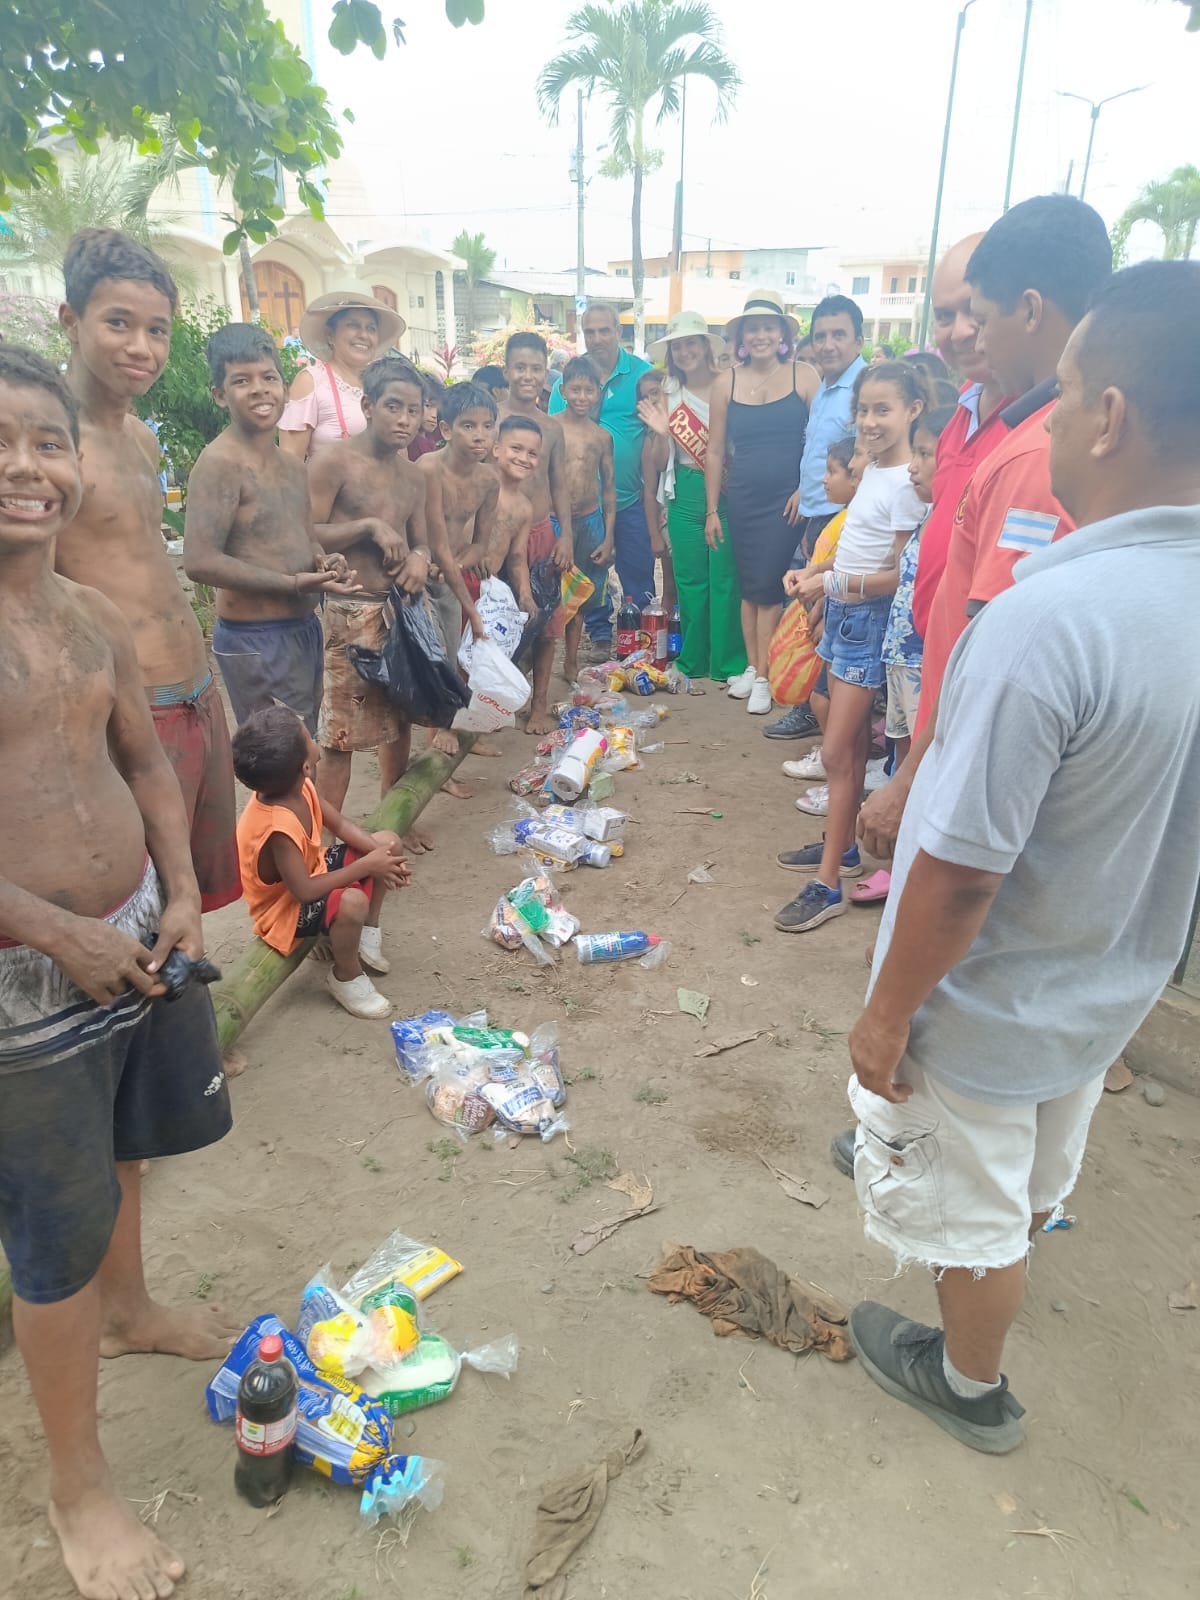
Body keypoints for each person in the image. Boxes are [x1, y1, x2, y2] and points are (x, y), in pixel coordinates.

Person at [843, 259, 1200, 1455]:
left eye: (1067, 395)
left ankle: (969, 1381)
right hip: (1107, 980)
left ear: (1111, 417)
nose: (1046, 425)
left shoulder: (1051, 618)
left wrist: (886, 1015)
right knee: (1037, 1178)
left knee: (979, 1215)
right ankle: (999, 1293)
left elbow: (962, 873)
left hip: (993, 1000)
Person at [0, 344, 234, 1600]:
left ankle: (134, 1309)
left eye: (47, 442)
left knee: (129, 1151)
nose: (27, 467)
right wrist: (51, 928)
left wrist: (183, 893)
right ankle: (77, 1487)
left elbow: (146, 762)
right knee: (51, 1240)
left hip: (136, 934)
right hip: (22, 982)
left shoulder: (88, 614)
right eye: (0, 443)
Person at [856, 198, 1113, 870]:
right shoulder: (974, 418)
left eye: (979, 313)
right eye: (946, 315)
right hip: (944, 709)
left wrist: (909, 779)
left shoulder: (1037, 450)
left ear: (1028, 311)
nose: (967, 334)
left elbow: (996, 650)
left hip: (968, 741)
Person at [55, 228, 241, 914]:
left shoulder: (139, 438)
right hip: (128, 711)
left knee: (188, 897)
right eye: (119, 323)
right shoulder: (49, 447)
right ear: (71, 321)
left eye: (156, 329)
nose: (141, 347)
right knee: (136, 902)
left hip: (196, 688)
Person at [774, 363, 927, 932]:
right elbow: (858, 544)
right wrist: (817, 572)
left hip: (867, 621)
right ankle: (840, 849)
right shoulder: (875, 470)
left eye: (883, 409)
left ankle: (828, 885)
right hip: (843, 612)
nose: (869, 421)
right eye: (863, 409)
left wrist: (840, 583)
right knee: (844, 745)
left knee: (838, 753)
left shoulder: (907, 482)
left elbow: (902, 575)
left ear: (913, 410)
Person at [183, 324, 359, 738]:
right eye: (241, 381)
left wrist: (324, 561)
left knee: (303, 744)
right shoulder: (220, 463)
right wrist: (293, 583)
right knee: (277, 753)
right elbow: (199, 561)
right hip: (254, 638)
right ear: (220, 395)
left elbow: (305, 536)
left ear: (284, 386)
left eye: (268, 377)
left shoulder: (292, 466)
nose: (259, 390)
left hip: (303, 628)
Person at [305, 356, 457, 828]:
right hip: (347, 609)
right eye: (394, 407)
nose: (405, 420)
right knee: (340, 737)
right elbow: (305, 532)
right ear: (369, 406)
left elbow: (422, 540)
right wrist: (368, 526)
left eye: (415, 410)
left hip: (400, 611)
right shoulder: (333, 462)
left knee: (399, 718)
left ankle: (392, 825)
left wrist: (419, 558)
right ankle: (326, 843)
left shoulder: (413, 476)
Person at [232, 706, 410, 1019]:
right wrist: (367, 866)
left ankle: (366, 928)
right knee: (352, 902)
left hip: (313, 871)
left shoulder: (300, 786)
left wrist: (383, 857)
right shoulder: (277, 828)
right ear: (305, 765)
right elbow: (303, 891)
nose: (314, 740)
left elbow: (339, 824)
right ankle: (346, 976)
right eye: (309, 738)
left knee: (388, 843)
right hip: (284, 909)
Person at [706, 290, 820, 716]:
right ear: (741, 337)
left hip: (786, 499)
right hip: (743, 497)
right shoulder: (727, 381)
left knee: (769, 587)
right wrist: (712, 510)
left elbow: (821, 440)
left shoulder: (804, 376)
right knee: (749, 586)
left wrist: (806, 488)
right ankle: (755, 668)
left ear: (782, 335)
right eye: (752, 329)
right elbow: (715, 450)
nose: (761, 335)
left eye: (769, 327)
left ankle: (766, 677)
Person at [766, 294, 866, 740]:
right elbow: (823, 454)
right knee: (814, 611)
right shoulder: (826, 387)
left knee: (829, 619)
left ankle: (819, 713)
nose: (828, 344)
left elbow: (863, 462)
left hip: (843, 520)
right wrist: (802, 492)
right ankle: (813, 705)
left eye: (838, 334)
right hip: (815, 512)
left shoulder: (863, 389)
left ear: (858, 339)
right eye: (821, 335)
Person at [549, 302, 665, 647]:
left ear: (618, 331)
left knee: (638, 573)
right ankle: (598, 633)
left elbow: (659, 430)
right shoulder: (567, 382)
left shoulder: (643, 376)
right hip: (579, 505)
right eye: (590, 331)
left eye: (604, 330)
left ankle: (643, 639)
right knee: (586, 573)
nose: (597, 338)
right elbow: (555, 441)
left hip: (629, 499)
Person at [646, 310, 745, 683]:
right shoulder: (669, 393)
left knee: (725, 578)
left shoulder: (729, 383)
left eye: (691, 343)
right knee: (689, 580)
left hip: (726, 488)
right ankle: (693, 659)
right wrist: (661, 433)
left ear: (705, 346)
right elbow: (660, 463)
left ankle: (728, 662)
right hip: (685, 488)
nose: (685, 352)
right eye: (677, 346)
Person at [780, 435, 863, 794]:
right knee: (823, 700)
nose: (824, 480)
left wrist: (824, 607)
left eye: (832, 472)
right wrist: (812, 573)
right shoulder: (845, 517)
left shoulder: (858, 519)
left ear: (857, 477)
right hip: (835, 616)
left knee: (828, 702)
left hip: (849, 621)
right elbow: (836, 563)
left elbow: (855, 571)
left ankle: (838, 775)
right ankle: (836, 770)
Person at [278, 289, 405, 460]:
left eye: (371, 328)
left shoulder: (384, 385)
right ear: (330, 335)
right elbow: (290, 462)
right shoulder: (311, 382)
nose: (363, 335)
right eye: (353, 325)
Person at [556, 356, 616, 685]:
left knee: (579, 595)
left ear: (598, 393)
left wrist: (609, 536)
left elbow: (609, 488)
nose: (582, 397)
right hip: (554, 520)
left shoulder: (601, 437)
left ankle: (571, 661)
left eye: (588, 390)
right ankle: (533, 658)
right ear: (563, 390)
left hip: (590, 520)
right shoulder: (551, 428)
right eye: (575, 389)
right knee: (547, 592)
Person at [636, 367, 676, 614]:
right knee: (671, 587)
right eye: (645, 397)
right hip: (668, 518)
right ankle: (668, 635)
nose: (651, 400)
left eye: (655, 392)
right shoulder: (650, 439)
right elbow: (650, 491)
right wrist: (654, 535)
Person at [408, 372, 444, 461]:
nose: (434, 415)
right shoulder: (409, 442)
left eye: (437, 409)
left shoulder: (431, 436)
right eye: (428, 406)